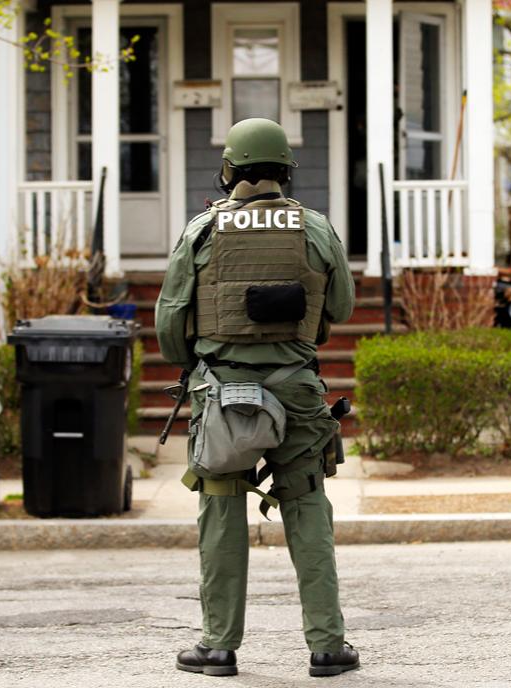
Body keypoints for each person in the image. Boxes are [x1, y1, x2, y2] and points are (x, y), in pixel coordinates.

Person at [155, 118, 359, 678]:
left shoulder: (200, 232)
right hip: (297, 392)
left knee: (221, 512)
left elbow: (170, 320)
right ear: (286, 173)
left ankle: (218, 647)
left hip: (221, 396)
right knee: (308, 506)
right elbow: (340, 308)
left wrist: (195, 360)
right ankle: (327, 647)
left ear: (229, 172)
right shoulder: (314, 229)